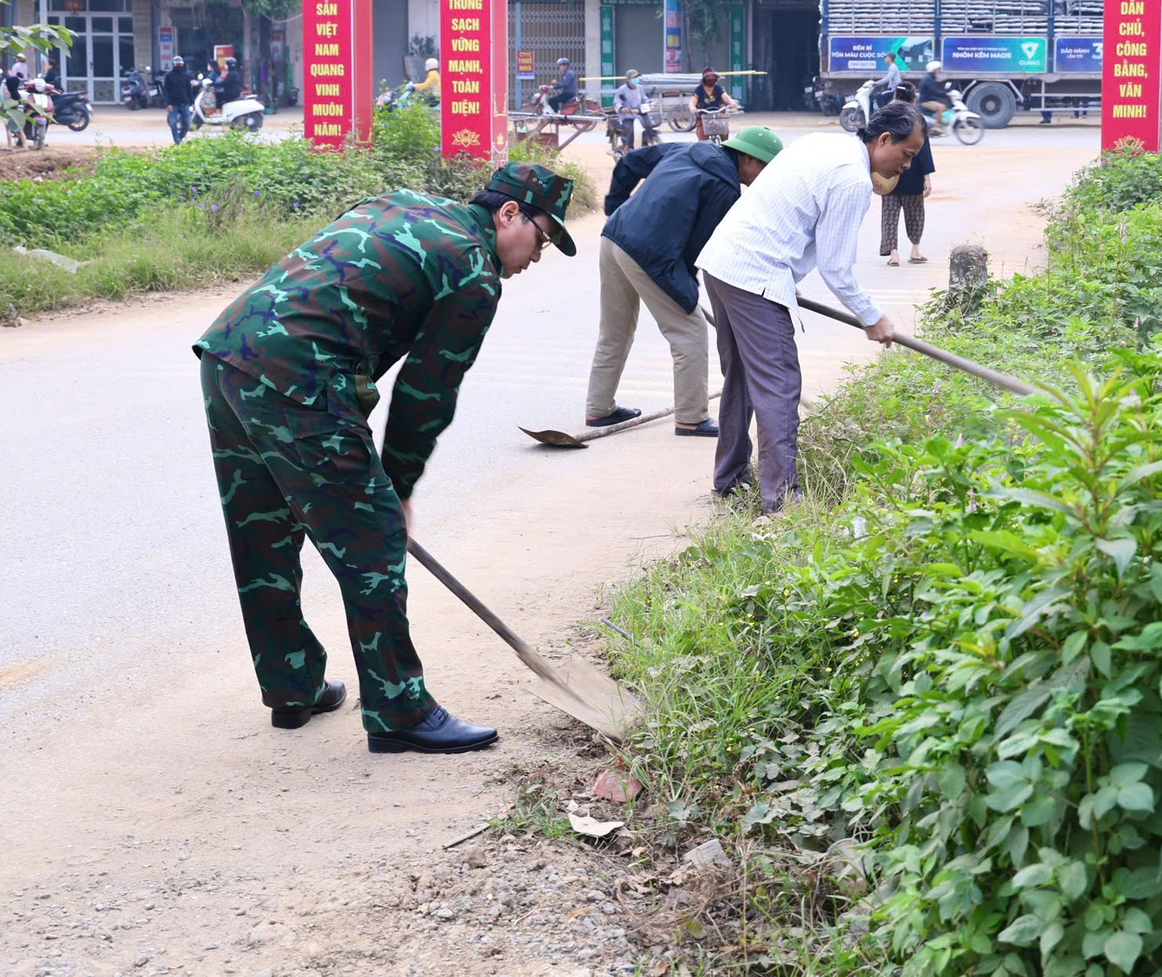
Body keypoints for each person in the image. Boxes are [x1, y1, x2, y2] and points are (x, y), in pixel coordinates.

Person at [193, 162, 578, 754]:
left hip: (228, 355)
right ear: (508, 214)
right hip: (300, 378)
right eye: (543, 236)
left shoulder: (402, 201)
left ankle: (292, 685)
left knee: (261, 530)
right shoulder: (474, 272)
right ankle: (400, 709)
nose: (536, 256)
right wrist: (395, 489)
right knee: (372, 542)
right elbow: (427, 393)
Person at [696, 101, 925, 514]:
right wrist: (871, 317)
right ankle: (783, 501)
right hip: (753, 274)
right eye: (906, 155)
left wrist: (787, 283)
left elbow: (788, 217)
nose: (907, 166)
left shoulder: (824, 144)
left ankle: (729, 478)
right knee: (779, 386)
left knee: (743, 378)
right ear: (884, 139)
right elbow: (837, 268)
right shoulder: (853, 180)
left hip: (722, 263)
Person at [586, 126, 785, 437]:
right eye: (768, 169)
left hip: (614, 238)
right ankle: (691, 417)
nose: (769, 179)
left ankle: (598, 409)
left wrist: (615, 209)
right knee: (690, 330)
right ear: (748, 159)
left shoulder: (686, 148)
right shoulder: (725, 188)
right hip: (648, 253)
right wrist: (686, 290)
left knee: (615, 330)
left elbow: (629, 164)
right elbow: (699, 249)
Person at [882, 86, 935, 265]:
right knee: (915, 213)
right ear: (914, 99)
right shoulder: (918, 120)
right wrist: (927, 176)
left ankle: (894, 254)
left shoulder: (886, 116)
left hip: (888, 172)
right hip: (912, 172)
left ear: (896, 95)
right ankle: (915, 250)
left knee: (889, 214)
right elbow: (924, 149)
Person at [610, 68, 651, 151]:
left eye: (637, 77)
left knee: (648, 126)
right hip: (628, 116)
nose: (637, 79)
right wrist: (622, 108)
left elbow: (644, 98)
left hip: (639, 114)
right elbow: (616, 102)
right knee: (632, 130)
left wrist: (649, 103)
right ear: (628, 79)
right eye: (634, 78)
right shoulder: (622, 89)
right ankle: (627, 147)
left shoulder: (640, 88)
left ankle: (645, 145)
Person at [161, 55, 195, 143]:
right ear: (173, 65)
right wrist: (168, 103)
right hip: (173, 104)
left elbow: (189, 90)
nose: (179, 66)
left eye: (180, 64)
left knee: (187, 124)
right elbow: (166, 91)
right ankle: (177, 141)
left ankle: (180, 137)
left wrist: (192, 102)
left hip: (185, 103)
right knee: (173, 123)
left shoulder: (186, 76)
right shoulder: (168, 76)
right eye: (177, 64)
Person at [691, 67, 732, 139]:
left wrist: (731, 103)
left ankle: (724, 150)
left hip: (718, 117)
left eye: (713, 77)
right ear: (704, 79)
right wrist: (693, 108)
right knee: (703, 140)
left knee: (725, 134)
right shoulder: (699, 89)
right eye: (708, 77)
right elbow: (693, 102)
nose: (711, 79)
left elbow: (725, 96)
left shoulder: (718, 88)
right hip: (703, 118)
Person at [916, 60, 953, 130]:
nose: (939, 70)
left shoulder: (931, 77)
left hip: (929, 99)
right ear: (933, 69)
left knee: (945, 107)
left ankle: (939, 120)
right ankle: (936, 127)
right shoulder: (928, 79)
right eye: (938, 69)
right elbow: (934, 91)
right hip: (926, 101)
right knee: (941, 107)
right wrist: (946, 94)